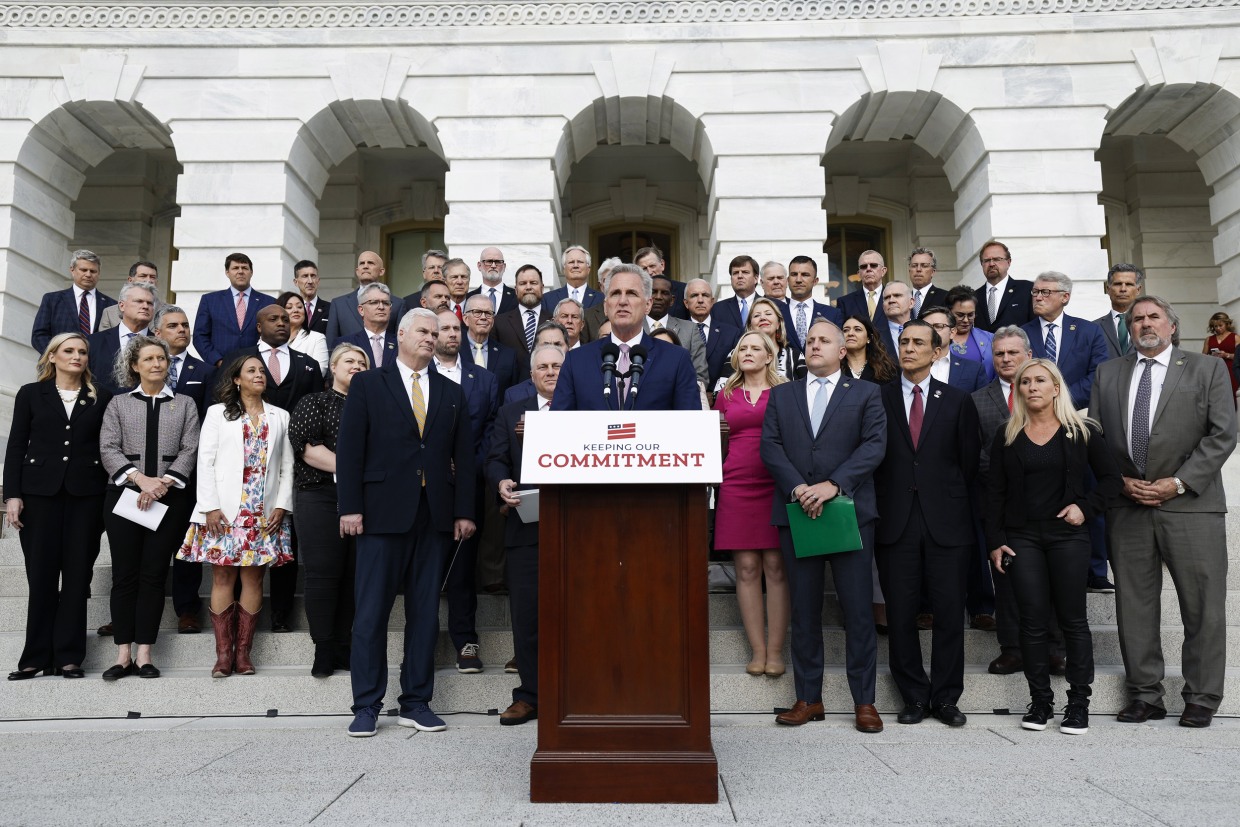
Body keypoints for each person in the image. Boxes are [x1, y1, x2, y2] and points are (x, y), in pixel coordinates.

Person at [1089, 296, 1238, 728]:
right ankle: (1145, 694)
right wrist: (1119, 480)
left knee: (1203, 607)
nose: (1145, 324)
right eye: (1137, 319)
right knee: (1134, 605)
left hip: (1190, 504)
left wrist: (1178, 482)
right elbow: (1096, 437)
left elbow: (1223, 433)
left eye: (1154, 317)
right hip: (1128, 505)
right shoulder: (1108, 372)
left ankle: (1202, 696)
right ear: (1128, 329)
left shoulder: (1207, 368)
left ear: (1172, 326)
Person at [336, 307, 477, 737]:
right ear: (400, 335)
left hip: (433, 515)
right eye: (423, 331)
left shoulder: (451, 392)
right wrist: (350, 507)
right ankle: (366, 705)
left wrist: (464, 511)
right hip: (379, 513)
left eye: (436, 333)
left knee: (424, 615)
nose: (431, 338)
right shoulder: (368, 384)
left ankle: (416, 701)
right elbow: (350, 449)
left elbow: (466, 458)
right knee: (372, 614)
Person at [760, 319, 887, 732]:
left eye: (824, 340)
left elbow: (874, 445)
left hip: (848, 512)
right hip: (798, 512)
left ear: (842, 349)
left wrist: (833, 485)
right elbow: (771, 447)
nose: (815, 345)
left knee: (857, 611)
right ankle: (808, 698)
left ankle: (864, 702)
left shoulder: (866, 392)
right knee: (805, 610)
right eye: (810, 340)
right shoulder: (782, 395)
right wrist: (799, 488)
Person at [986, 359, 1121, 735]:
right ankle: (1041, 701)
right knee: (1031, 621)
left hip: (1068, 537)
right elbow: (994, 492)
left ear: (1056, 387)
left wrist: (1085, 507)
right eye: (1025, 381)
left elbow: (1111, 481)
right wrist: (994, 541)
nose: (1032, 386)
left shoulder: (1082, 431)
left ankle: (1078, 703)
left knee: (1073, 620)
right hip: (1022, 538)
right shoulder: (1007, 435)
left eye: (1040, 380)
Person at [874, 319, 980, 727]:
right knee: (900, 614)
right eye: (904, 341)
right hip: (894, 521)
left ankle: (947, 698)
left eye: (919, 342)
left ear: (937, 352)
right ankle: (914, 696)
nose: (909, 348)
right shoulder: (877, 398)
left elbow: (969, 464)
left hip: (948, 523)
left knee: (950, 613)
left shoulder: (957, 400)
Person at [177, 355, 295, 678]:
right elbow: (205, 461)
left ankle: (243, 653)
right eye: (251, 371)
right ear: (237, 380)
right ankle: (222, 655)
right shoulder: (218, 414)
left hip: (263, 512)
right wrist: (209, 506)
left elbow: (287, 467)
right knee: (222, 577)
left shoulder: (279, 416)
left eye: (262, 370)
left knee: (254, 578)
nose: (259, 374)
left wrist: (282, 505)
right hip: (225, 512)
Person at [4, 333, 112, 680]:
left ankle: (69, 657)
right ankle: (35, 657)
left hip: (86, 497)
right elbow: (17, 446)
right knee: (42, 577)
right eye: (68, 351)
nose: (76, 356)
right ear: (52, 356)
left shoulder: (101, 397)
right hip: (38, 496)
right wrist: (12, 496)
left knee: (78, 577)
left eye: (82, 351)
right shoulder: (31, 394)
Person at [98, 336, 200, 680]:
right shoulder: (118, 404)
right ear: (135, 366)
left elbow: (190, 448)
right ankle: (122, 654)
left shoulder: (185, 403)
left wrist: (163, 484)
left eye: (162, 358)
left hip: (170, 500)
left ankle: (145, 654)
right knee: (125, 575)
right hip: (125, 497)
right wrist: (141, 481)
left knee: (154, 575)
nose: (157, 364)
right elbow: (108, 447)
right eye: (150, 359)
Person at [485, 343, 565, 725]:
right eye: (543, 367)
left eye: (557, 366)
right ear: (531, 375)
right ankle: (530, 695)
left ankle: (575, 692)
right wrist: (501, 481)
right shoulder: (510, 412)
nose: (550, 372)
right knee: (527, 617)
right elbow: (495, 457)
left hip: (577, 529)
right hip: (526, 528)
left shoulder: (586, 412)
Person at [289, 343, 369, 677]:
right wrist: (357, 472)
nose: (356, 366)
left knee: (355, 576)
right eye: (349, 361)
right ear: (333, 367)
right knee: (323, 573)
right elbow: (308, 450)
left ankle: (345, 646)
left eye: (362, 363)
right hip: (320, 496)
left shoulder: (375, 406)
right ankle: (323, 648)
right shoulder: (314, 402)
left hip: (366, 501)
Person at [713, 331, 789, 678]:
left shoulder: (787, 391)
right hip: (736, 485)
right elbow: (716, 443)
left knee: (775, 568)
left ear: (769, 356)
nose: (747, 352)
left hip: (776, 485)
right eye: (742, 347)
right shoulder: (725, 394)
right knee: (745, 569)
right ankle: (757, 651)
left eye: (755, 348)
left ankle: (775, 652)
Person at [433, 309, 499, 673]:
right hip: (425, 484)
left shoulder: (485, 379)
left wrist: (466, 464)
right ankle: (421, 641)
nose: (451, 334)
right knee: (425, 566)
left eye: (456, 328)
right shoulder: (416, 378)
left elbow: (491, 430)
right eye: (443, 328)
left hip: (467, 486)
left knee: (461, 567)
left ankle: (465, 641)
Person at [552, 264, 700, 411]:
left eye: (631, 293)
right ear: (605, 306)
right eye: (616, 293)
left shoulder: (676, 359)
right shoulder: (576, 361)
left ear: (648, 305)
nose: (622, 301)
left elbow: (690, 424)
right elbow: (559, 425)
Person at [1019, 271, 1108, 409]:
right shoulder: (1021, 334)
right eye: (1035, 292)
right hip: (1033, 412)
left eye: (1045, 292)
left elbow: (1098, 374)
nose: (1038, 297)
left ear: (1065, 297)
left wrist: (1062, 400)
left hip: (1077, 411)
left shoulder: (1089, 331)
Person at [192, 252, 276, 367]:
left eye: (245, 268)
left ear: (251, 272)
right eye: (235, 268)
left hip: (257, 369)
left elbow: (274, 337)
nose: (240, 271)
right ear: (227, 272)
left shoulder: (269, 302)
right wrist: (218, 361)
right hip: (219, 370)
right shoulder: (210, 300)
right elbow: (200, 336)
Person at [30, 250, 116, 353]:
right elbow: (39, 335)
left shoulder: (111, 305)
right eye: (83, 270)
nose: (88, 274)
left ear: (99, 273)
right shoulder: (52, 300)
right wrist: (57, 356)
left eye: (93, 271)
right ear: (72, 270)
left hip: (96, 366)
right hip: (58, 365)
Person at [87, 281, 156, 395]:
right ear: (122, 305)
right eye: (139, 301)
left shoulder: (161, 345)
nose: (145, 306)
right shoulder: (94, 342)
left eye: (150, 303)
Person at [325, 251, 405, 346]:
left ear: (381, 271)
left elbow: (401, 343)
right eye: (362, 263)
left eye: (370, 263)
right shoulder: (338, 304)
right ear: (357, 271)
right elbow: (331, 345)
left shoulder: (398, 304)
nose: (365, 266)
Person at [683, 277, 743, 389]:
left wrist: (715, 393)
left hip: (723, 397)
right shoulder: (677, 332)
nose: (700, 300)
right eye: (694, 295)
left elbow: (736, 369)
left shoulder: (731, 333)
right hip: (687, 399)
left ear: (712, 301)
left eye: (705, 295)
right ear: (686, 303)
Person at [493, 264, 549, 381]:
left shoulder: (554, 320)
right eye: (523, 283)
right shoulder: (499, 322)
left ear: (542, 288)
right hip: (510, 391)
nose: (528, 287)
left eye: (533, 283)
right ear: (516, 290)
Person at [460, 293, 519, 398]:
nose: (483, 317)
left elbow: (512, 394)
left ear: (493, 321)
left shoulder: (508, 355)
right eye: (477, 312)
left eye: (488, 313)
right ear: (466, 319)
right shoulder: (454, 351)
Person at [782, 256, 843, 354]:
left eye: (805, 275)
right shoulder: (776, 313)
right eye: (794, 274)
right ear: (788, 280)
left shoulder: (832, 314)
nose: (798, 279)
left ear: (815, 281)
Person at [920, 306, 987, 393]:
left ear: (952, 332)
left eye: (938, 326)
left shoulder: (974, 370)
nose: (931, 331)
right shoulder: (907, 367)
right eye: (927, 327)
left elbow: (982, 404)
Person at [974, 240, 1034, 333]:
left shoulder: (1026, 289)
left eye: (997, 259)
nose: (991, 264)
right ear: (982, 264)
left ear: (1009, 262)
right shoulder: (974, 296)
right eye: (986, 260)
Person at [337, 283, 398, 370]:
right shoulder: (345, 343)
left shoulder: (402, 343)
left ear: (390, 309)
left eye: (386, 303)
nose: (381, 307)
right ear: (361, 310)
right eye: (374, 302)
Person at [945, 285, 995, 382]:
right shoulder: (938, 338)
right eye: (960, 315)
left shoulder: (989, 338)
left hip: (981, 394)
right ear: (948, 312)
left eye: (970, 315)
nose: (966, 320)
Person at [98, 261, 164, 331]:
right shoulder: (110, 313)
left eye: (152, 277)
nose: (148, 280)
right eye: (143, 276)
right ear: (130, 280)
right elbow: (104, 339)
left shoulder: (169, 312)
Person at [1094, 263, 1142, 359]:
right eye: (1118, 284)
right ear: (1108, 289)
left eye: (1129, 284)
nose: (1123, 289)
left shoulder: (1151, 325)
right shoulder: (1093, 328)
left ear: (1138, 290)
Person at [542, 245, 602, 314]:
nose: (575, 266)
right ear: (564, 269)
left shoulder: (601, 299)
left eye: (580, 262)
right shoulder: (548, 299)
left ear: (588, 269)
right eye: (571, 262)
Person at [279, 291, 329, 374]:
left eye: (299, 307)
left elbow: (320, 371)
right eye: (289, 307)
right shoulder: (269, 338)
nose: (296, 310)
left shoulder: (317, 338)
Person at [835, 249, 887, 327]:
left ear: (883, 271)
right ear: (859, 274)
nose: (868, 269)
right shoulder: (845, 303)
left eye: (873, 265)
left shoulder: (895, 298)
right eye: (863, 266)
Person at [841, 314, 897, 383]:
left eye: (857, 329)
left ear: (869, 338)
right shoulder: (833, 369)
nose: (850, 333)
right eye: (845, 330)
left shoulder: (889, 370)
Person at [713, 255, 761, 330]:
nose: (740, 276)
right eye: (735, 273)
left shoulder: (770, 305)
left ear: (756, 278)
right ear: (731, 279)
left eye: (745, 272)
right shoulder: (717, 309)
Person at [466, 247, 518, 315]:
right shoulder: (468, 297)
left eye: (498, 262)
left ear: (504, 266)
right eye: (489, 261)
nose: (493, 266)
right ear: (479, 266)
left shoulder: (516, 296)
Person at [1203, 311, 1238, 403]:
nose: (1218, 328)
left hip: (1231, 370)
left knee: (1231, 395)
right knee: (1217, 396)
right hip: (1214, 371)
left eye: (1220, 325)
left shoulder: (1235, 337)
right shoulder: (1209, 339)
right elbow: (1203, 357)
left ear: (1226, 324)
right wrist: (1211, 356)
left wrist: (1226, 355)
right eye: (1215, 326)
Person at [907, 247, 949, 317]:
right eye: (914, 266)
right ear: (909, 271)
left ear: (933, 272)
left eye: (924, 266)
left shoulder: (945, 297)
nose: (918, 269)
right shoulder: (904, 299)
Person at [293, 259, 330, 334]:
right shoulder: (288, 310)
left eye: (313, 276)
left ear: (318, 281)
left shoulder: (331, 309)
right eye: (305, 276)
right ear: (296, 282)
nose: (310, 281)